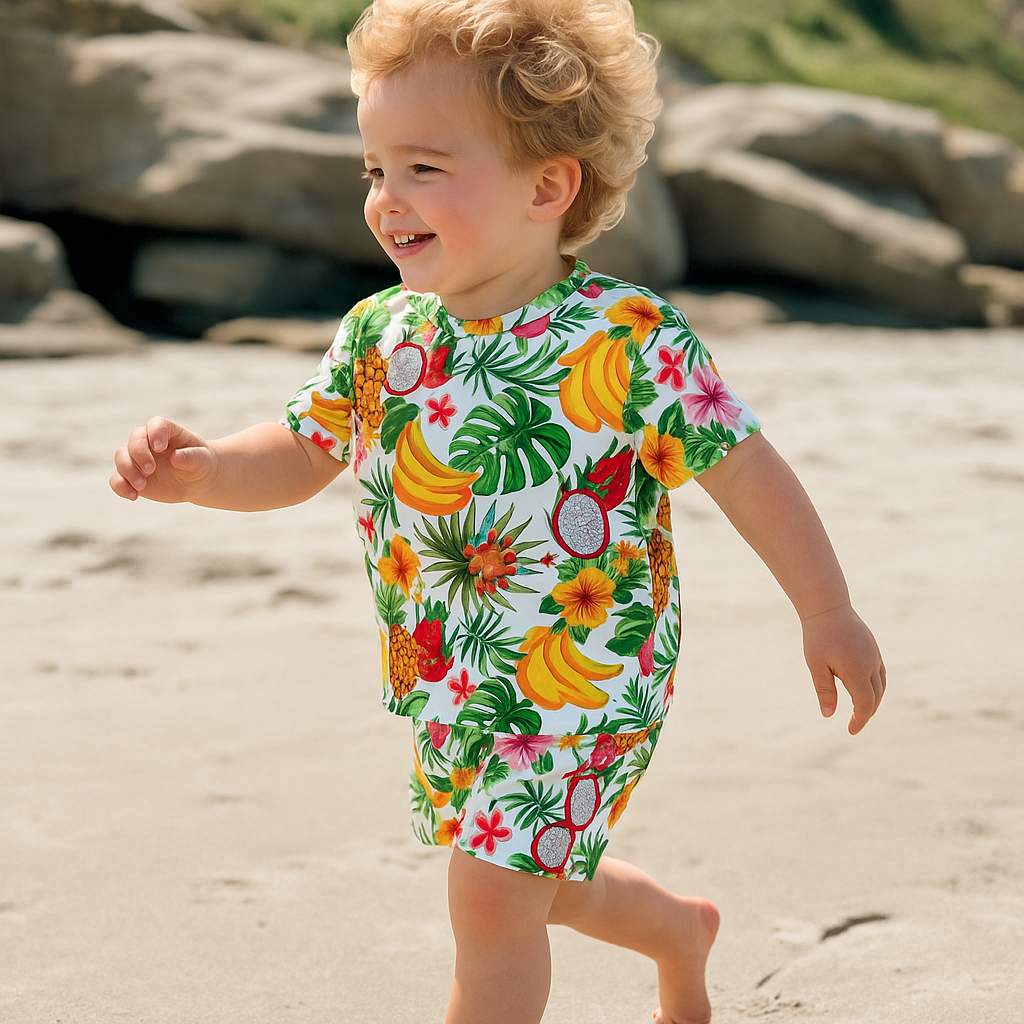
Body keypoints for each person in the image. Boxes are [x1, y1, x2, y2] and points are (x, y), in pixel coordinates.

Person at [110, 1, 886, 1021]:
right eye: (374, 169)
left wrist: (824, 608)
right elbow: (304, 448)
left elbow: (742, 468)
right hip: (450, 666)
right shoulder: (383, 331)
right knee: (534, 881)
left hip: (586, 669)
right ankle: (677, 929)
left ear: (548, 186)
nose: (387, 199)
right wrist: (208, 470)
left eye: (424, 167)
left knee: (489, 893)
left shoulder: (624, 337)